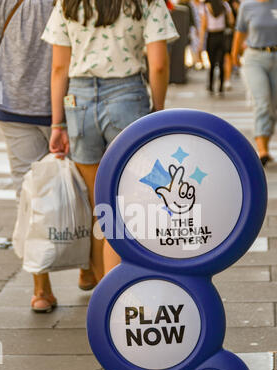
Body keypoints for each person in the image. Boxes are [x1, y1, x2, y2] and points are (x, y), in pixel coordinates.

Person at [42, 0, 178, 283]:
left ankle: (100, 284)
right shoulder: (147, 2)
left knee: (98, 206)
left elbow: (58, 68)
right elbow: (160, 65)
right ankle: (121, 286)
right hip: (128, 96)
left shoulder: (68, 3)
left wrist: (58, 124)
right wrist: (158, 111)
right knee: (127, 202)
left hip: (78, 101)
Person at [0, 0, 97, 313]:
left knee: (28, 193)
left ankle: (41, 290)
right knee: (87, 188)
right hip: (71, 101)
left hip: (14, 102)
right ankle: (88, 266)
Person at [231, 0, 277, 166]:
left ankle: (265, 144)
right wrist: (234, 55)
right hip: (254, 58)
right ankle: (262, 150)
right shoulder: (247, 6)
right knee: (263, 102)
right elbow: (240, 32)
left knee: (273, 105)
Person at [199, 0, 234, 95]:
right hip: (222, 35)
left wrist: (201, 42)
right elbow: (231, 20)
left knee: (212, 63)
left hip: (211, 36)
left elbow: (203, 25)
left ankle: (211, 86)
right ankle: (221, 86)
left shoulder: (205, 6)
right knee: (221, 62)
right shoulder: (224, 5)